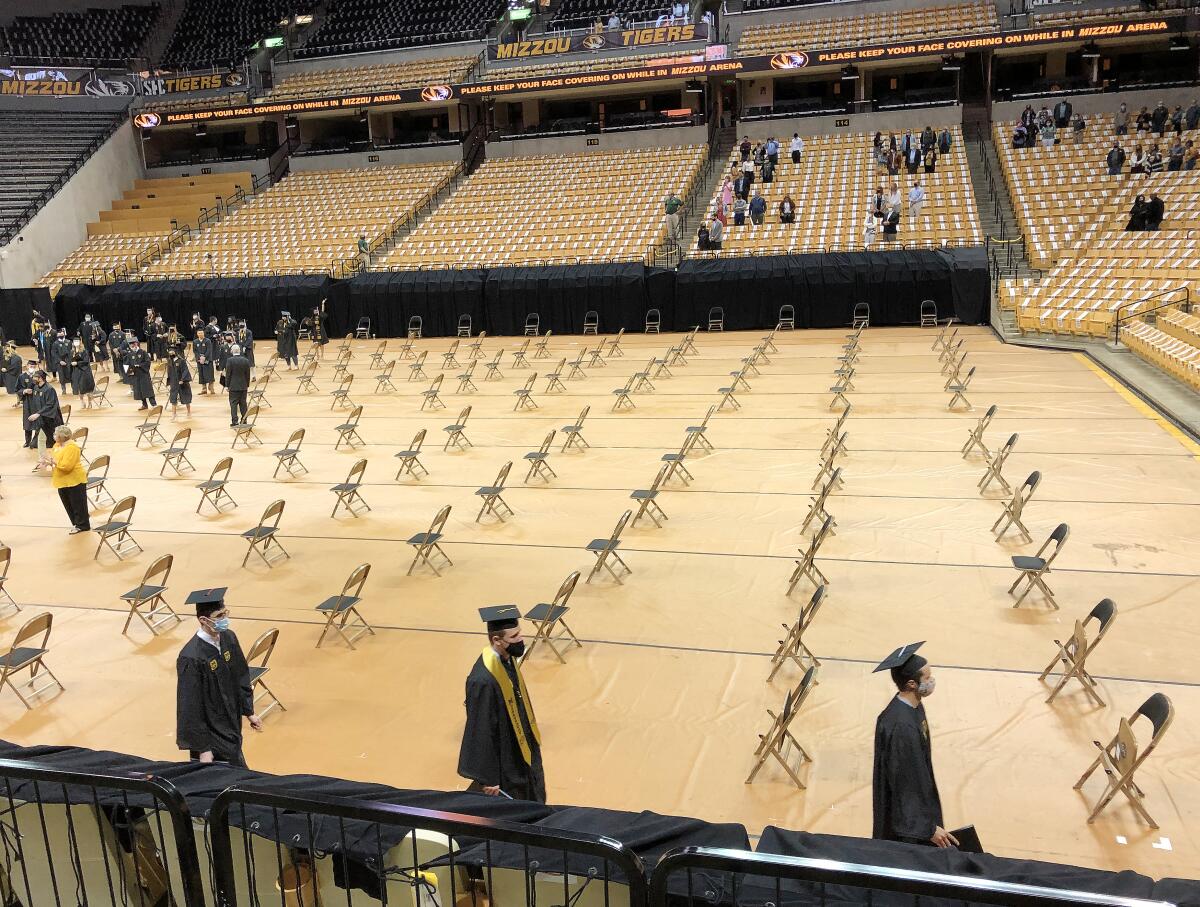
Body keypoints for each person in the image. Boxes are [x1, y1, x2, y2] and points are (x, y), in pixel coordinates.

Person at [458, 606, 546, 802]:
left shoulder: (507, 659)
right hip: (505, 756)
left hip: (522, 746)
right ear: (497, 640)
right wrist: (488, 777)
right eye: (514, 637)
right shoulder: (483, 680)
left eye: (519, 634)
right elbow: (480, 728)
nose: (520, 640)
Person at [872, 643, 955, 848]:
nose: (931, 681)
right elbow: (905, 783)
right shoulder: (902, 727)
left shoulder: (913, 707)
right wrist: (926, 827)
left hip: (920, 796)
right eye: (927, 678)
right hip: (906, 821)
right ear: (911, 684)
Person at [176, 588, 261, 767]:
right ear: (204, 620)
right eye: (219, 616)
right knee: (232, 773)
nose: (224, 619)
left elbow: (241, 675)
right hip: (211, 730)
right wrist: (203, 748)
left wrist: (249, 711)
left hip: (231, 720)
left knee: (236, 760)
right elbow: (190, 705)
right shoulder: (191, 657)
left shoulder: (228, 638)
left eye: (225, 613)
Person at [50, 425, 90, 534]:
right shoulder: (57, 445)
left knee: (78, 504)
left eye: (56, 434)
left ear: (62, 436)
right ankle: (76, 523)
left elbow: (67, 466)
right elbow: (54, 458)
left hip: (74, 480)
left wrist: (54, 463)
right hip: (62, 481)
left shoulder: (72, 447)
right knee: (68, 504)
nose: (54, 436)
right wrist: (50, 462)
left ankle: (82, 525)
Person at [27, 369, 62, 470]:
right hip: (42, 419)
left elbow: (50, 404)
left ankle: (58, 459)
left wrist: (38, 413)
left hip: (51, 419)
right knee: (41, 439)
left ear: (41, 378)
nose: (33, 379)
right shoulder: (36, 388)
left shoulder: (49, 389)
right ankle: (42, 460)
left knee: (56, 441)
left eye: (35, 377)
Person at [124, 338, 156, 409]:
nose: (132, 345)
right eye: (131, 344)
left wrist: (140, 365)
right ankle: (144, 404)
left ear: (136, 344)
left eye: (133, 344)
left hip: (144, 374)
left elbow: (148, 362)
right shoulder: (129, 354)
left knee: (148, 390)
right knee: (139, 391)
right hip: (136, 375)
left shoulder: (143, 352)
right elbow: (126, 364)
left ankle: (153, 404)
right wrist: (130, 372)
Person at [224, 344, 251, 427]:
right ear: (240, 351)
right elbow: (248, 374)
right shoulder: (246, 360)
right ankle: (244, 420)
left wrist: (226, 385)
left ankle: (235, 421)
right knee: (243, 404)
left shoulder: (230, 360)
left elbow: (228, 374)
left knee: (233, 404)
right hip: (243, 386)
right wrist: (247, 384)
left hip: (233, 386)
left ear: (232, 351)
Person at [167, 347, 193, 419]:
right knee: (173, 398)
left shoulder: (181, 361)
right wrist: (169, 382)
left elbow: (185, 370)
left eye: (172, 352)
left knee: (186, 397)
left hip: (182, 382)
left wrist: (183, 379)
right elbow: (169, 372)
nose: (171, 353)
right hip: (174, 382)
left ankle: (189, 412)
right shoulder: (169, 361)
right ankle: (174, 414)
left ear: (175, 352)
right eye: (170, 352)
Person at [69, 337, 94, 407]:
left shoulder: (84, 351)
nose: (76, 343)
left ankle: (90, 402)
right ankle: (82, 401)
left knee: (87, 388)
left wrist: (77, 363)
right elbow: (70, 360)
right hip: (76, 371)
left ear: (80, 342)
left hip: (84, 371)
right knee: (78, 387)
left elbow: (86, 361)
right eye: (74, 341)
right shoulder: (72, 351)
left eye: (77, 341)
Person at [17, 361, 37, 447]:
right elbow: (17, 389)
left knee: (38, 421)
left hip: (37, 401)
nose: (32, 367)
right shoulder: (22, 376)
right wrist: (24, 391)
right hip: (27, 402)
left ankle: (35, 441)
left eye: (33, 366)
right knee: (27, 421)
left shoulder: (38, 376)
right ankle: (27, 441)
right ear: (27, 366)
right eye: (30, 365)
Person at [193, 327, 216, 392]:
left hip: (208, 360)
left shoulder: (207, 341)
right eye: (199, 333)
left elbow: (209, 350)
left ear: (204, 333)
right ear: (197, 334)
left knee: (210, 374)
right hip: (199, 360)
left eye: (202, 333)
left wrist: (204, 357)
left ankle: (211, 387)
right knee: (201, 374)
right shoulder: (195, 342)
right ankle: (204, 389)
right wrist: (199, 357)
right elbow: (195, 351)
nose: (200, 334)